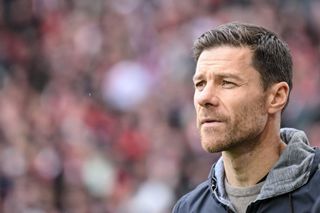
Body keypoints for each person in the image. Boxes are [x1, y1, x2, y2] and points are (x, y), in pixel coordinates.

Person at [173, 22, 320, 213]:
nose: (204, 98)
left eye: (226, 82)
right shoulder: (188, 208)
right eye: (200, 84)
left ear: (276, 97)